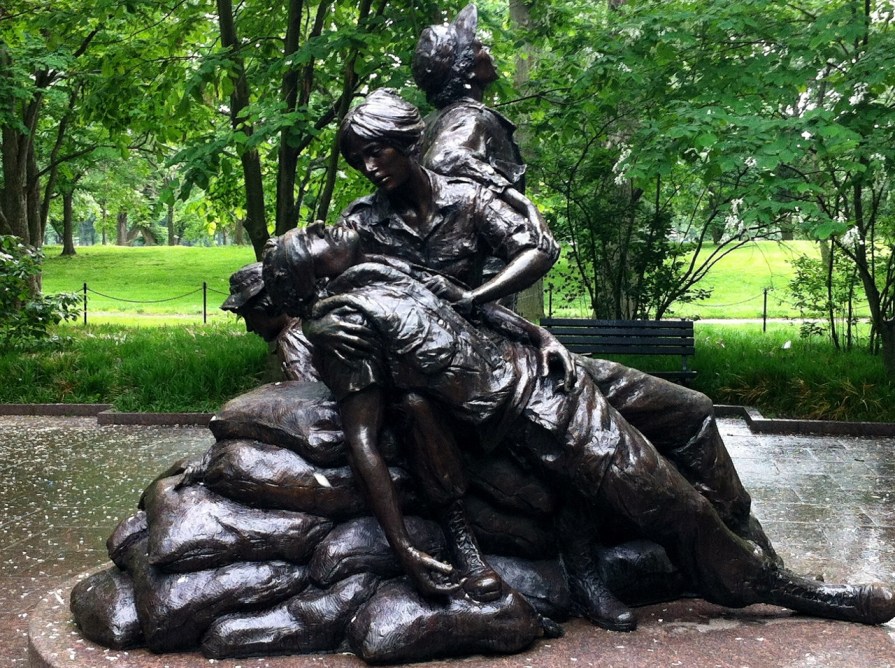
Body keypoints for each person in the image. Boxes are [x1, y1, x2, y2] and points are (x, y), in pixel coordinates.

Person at [262, 222, 895, 628]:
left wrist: (542, 335)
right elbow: (366, 440)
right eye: (311, 237)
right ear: (310, 274)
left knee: (693, 412)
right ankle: (784, 589)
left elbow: (477, 312)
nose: (326, 225)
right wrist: (404, 545)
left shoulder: (384, 270)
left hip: (556, 367)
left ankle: (739, 537)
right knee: (674, 506)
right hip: (536, 413)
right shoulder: (337, 327)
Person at [220, 262, 318, 384]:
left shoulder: (291, 343)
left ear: (270, 305)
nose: (249, 328)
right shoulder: (308, 322)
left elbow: (307, 397)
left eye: (250, 316)